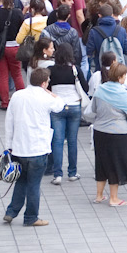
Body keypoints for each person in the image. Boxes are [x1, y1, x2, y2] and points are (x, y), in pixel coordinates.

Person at [3, 67, 64, 226]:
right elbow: (60, 104)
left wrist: (8, 145)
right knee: (34, 185)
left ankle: (11, 211)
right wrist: (50, 93)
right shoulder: (45, 97)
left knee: (21, 181)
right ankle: (31, 217)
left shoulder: (17, 95)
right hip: (38, 149)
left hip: (19, 148)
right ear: (44, 83)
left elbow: (9, 122)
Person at [90, 61, 127, 206]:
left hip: (99, 131)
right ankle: (114, 198)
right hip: (117, 133)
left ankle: (99, 195)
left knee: (101, 162)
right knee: (115, 164)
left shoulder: (100, 90)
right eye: (125, 75)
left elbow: (93, 109)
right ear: (120, 77)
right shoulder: (123, 94)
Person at [47, 43, 85, 184]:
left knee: (57, 141)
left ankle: (57, 174)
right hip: (74, 106)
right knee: (72, 140)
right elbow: (85, 87)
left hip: (57, 107)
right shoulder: (75, 70)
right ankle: (72, 172)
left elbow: (46, 88)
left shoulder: (50, 70)